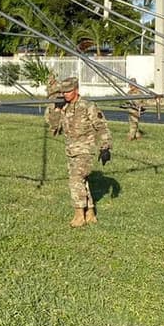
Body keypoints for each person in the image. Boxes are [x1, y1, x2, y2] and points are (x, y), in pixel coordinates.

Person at [46, 77, 113, 226]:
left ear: (76, 90)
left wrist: (105, 147)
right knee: (82, 182)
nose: (65, 94)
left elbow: (101, 126)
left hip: (85, 151)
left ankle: (79, 215)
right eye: (63, 92)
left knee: (75, 180)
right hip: (71, 151)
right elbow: (54, 128)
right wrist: (55, 109)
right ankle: (90, 213)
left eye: (68, 91)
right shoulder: (64, 107)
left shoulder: (88, 106)